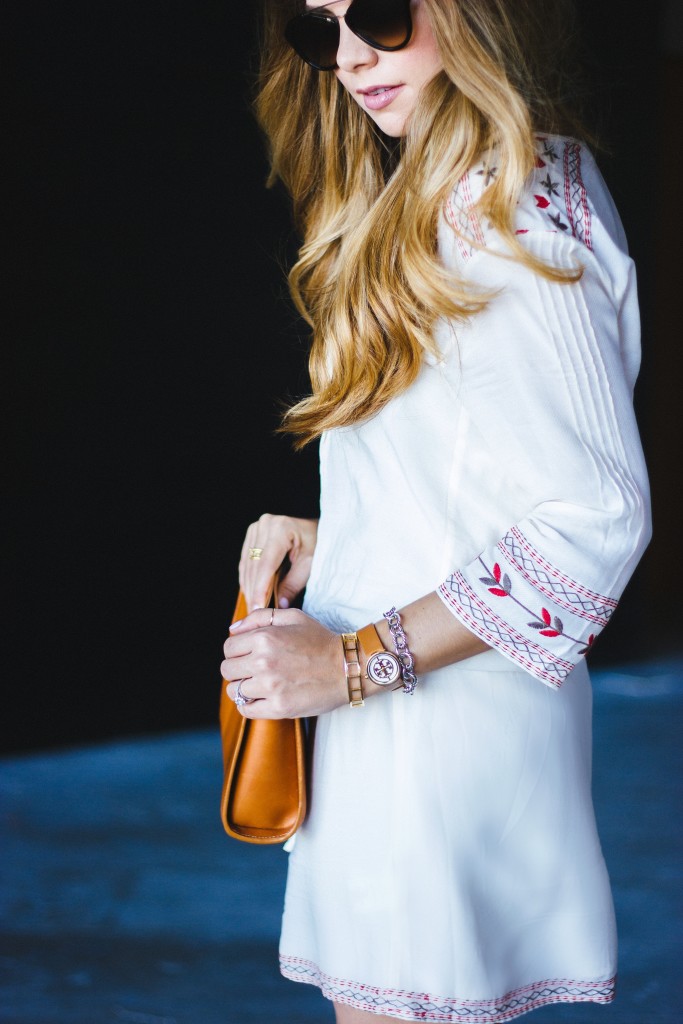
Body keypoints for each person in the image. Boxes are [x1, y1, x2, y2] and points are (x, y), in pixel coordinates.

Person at [221, 0, 651, 1020]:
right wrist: (340, 541)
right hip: (410, 726)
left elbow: (594, 516)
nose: (353, 56)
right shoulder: (455, 193)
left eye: (377, 12)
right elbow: (485, 480)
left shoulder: (502, 207)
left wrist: (349, 660)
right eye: (317, 30)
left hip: (430, 740)